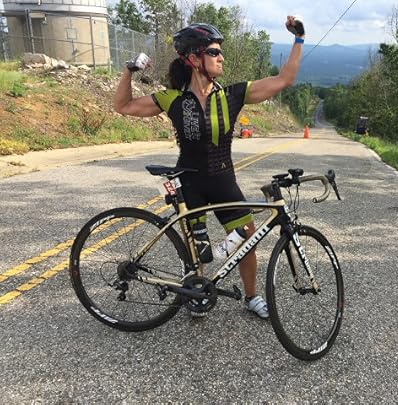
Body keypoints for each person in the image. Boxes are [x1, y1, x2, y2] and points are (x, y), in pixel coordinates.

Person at [113, 16, 305, 319]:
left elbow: (284, 80)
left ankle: (251, 296)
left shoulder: (233, 94)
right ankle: (197, 295)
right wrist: (129, 70)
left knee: (247, 236)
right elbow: (123, 106)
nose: (221, 57)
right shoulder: (172, 98)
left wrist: (298, 39)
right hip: (189, 182)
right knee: (196, 250)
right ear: (193, 59)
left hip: (222, 178)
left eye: (220, 52)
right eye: (214, 52)